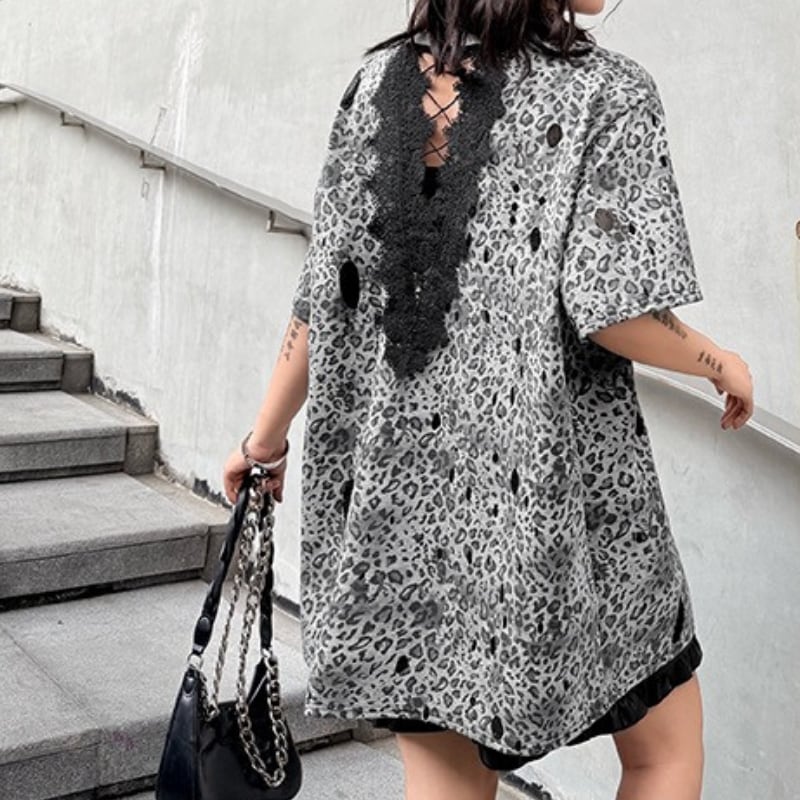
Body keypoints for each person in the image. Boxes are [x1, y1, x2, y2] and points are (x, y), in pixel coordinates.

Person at [223, 2, 754, 798]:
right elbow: (614, 309)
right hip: (562, 508)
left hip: (401, 513)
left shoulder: (373, 82)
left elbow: (326, 291)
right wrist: (718, 361)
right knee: (663, 751)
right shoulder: (607, 92)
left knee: (444, 780)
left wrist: (264, 439)